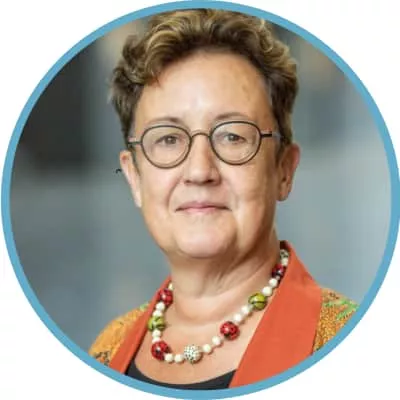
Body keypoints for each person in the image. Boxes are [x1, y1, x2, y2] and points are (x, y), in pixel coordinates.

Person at [88, 9, 358, 390]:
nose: (200, 171)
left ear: (284, 170)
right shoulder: (107, 348)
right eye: (168, 138)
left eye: (232, 136)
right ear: (135, 177)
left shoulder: (352, 346)